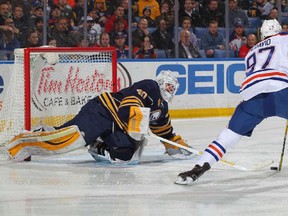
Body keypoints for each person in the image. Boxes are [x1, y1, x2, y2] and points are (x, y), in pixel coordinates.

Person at [175, 19, 287, 185]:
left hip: (252, 98)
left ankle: (198, 167)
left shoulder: (251, 51)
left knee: (228, 137)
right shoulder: (284, 37)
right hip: (281, 91)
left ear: (261, 35)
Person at [7, 71, 192, 164]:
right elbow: (130, 104)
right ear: (161, 81)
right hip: (103, 111)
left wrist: (175, 144)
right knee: (68, 140)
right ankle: (23, 141)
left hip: (117, 125)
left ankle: (96, 144)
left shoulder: (162, 107)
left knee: (126, 156)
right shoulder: (150, 86)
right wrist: (137, 121)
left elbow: (164, 131)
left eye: (172, 88)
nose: (170, 89)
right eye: (168, 85)